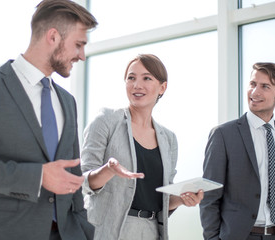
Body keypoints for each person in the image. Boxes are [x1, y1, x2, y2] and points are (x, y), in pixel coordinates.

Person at [0, 1, 98, 239]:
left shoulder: (67, 101)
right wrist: (38, 176)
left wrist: (84, 231)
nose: (82, 55)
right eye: (78, 45)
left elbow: (73, 175)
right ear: (53, 37)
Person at [81, 54, 204, 240]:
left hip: (150, 231)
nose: (137, 85)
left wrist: (181, 199)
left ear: (162, 87)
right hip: (107, 230)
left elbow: (162, 197)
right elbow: (83, 182)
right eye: (131, 78)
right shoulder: (106, 120)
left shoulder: (168, 139)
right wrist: (109, 170)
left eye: (146, 78)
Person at [199, 62, 275, 240]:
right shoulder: (223, 135)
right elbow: (210, 196)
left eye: (265, 86)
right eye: (253, 84)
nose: (255, 92)